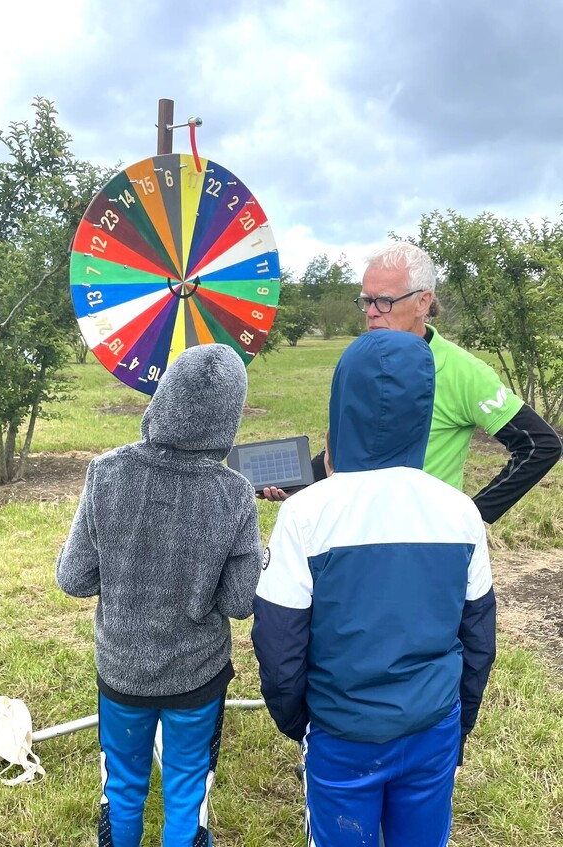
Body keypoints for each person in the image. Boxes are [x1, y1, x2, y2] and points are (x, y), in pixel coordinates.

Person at [252, 330, 497, 847]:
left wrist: (302, 724)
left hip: (341, 733)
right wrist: (458, 726)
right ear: (424, 407)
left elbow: (278, 645)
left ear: (342, 401)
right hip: (433, 728)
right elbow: (479, 638)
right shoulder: (460, 512)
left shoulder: (306, 512)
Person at [56, 343, 262, 847]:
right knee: (188, 787)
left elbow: (74, 578)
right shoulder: (234, 494)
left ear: (162, 398)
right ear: (230, 418)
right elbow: (240, 602)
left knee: (122, 787)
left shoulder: (105, 473)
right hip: (197, 676)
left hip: (121, 671)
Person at [262, 241, 562, 525]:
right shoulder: (362, 361)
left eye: (384, 301)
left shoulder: (463, 372)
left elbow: (540, 445)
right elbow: (348, 448)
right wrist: (300, 482)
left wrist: (472, 516)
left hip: (424, 546)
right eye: (366, 300)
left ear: (423, 302)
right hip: (354, 536)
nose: (371, 312)